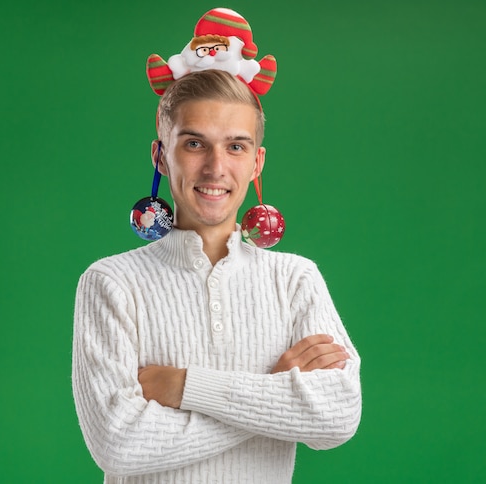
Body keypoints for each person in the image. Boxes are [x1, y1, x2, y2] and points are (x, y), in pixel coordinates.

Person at [71, 68, 362, 483]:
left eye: (236, 146)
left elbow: (337, 416)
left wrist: (185, 387)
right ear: (160, 155)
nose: (216, 167)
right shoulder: (112, 283)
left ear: (257, 162)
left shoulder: (296, 279)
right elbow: (120, 444)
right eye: (194, 144)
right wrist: (272, 393)